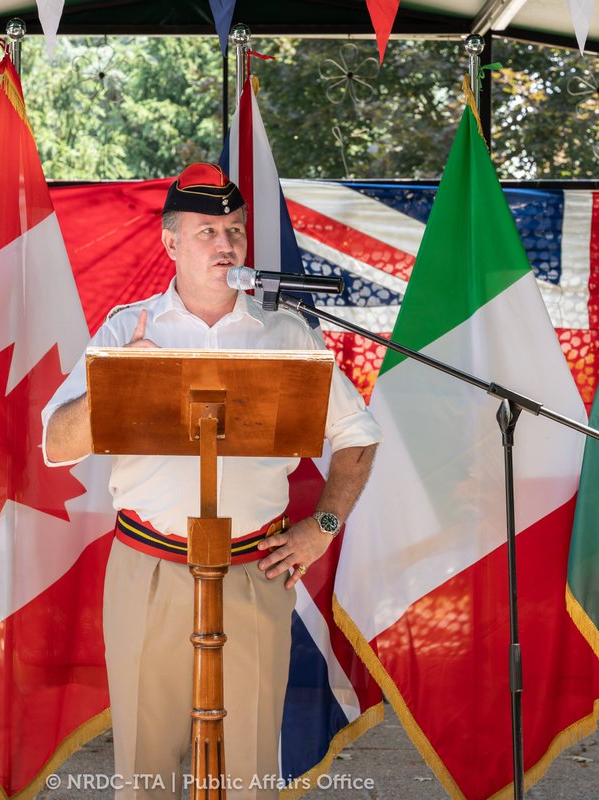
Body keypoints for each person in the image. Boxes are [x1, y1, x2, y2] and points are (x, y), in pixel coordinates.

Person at [41, 163, 380, 800]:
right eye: (207, 232)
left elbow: (359, 435)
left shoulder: (286, 333)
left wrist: (324, 526)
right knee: (148, 768)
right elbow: (55, 444)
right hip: (150, 569)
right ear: (169, 242)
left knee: (249, 767)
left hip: (255, 569)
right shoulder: (126, 329)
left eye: (235, 230)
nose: (226, 244)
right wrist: (118, 387)